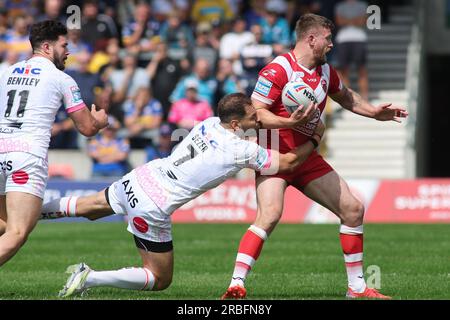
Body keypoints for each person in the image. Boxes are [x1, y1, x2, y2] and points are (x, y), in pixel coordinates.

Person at [39, 93, 322, 297]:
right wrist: (314, 137)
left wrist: (287, 123)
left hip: (142, 177)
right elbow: (288, 164)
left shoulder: (210, 122)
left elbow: (257, 124)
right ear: (236, 124)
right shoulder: (243, 150)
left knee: (89, 207)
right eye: (252, 116)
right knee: (159, 278)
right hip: (154, 204)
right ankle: (89, 278)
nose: (258, 119)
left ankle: (27, 213)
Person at [221, 13, 408, 300]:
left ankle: (357, 289)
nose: (332, 45)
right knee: (269, 215)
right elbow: (255, 112)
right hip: (275, 154)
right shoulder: (279, 69)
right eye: (328, 39)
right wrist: (289, 123)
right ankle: (236, 284)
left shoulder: (326, 73)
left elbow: (345, 96)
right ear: (311, 39)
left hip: (306, 156)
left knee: (353, 209)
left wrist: (374, 113)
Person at [0, 20, 109, 267]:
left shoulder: (7, 72)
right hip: (26, 156)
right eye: (64, 45)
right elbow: (87, 128)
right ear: (47, 47)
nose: (69, 51)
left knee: (5, 223)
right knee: (17, 232)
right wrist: (100, 121)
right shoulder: (62, 79)